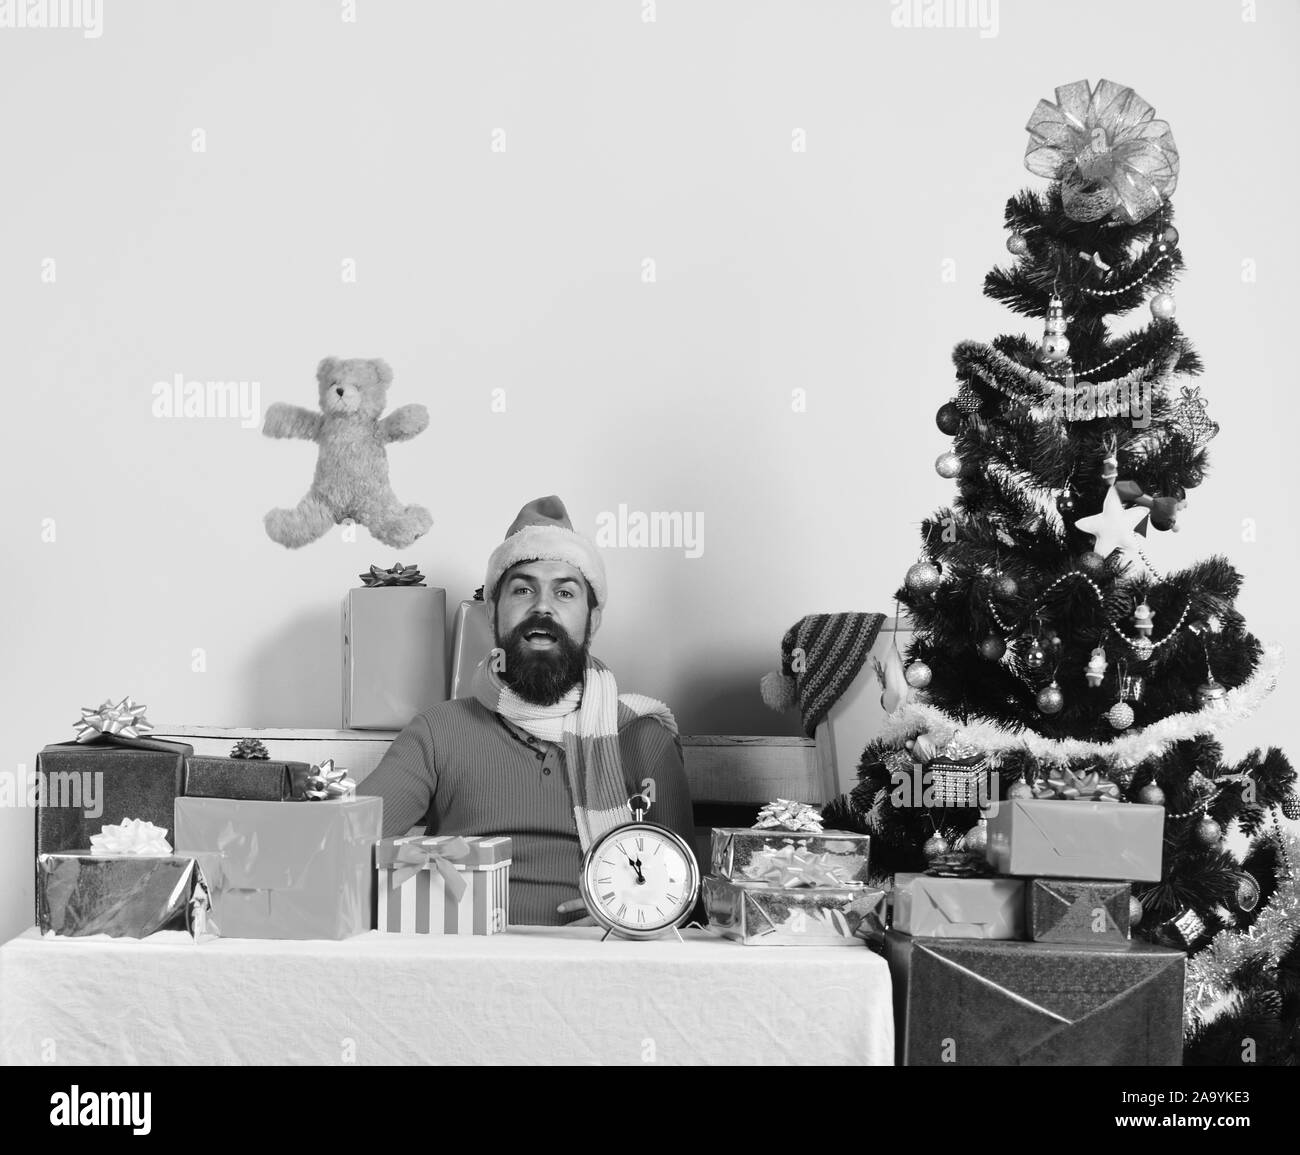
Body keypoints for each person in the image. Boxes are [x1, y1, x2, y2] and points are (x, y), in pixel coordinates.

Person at [359, 495, 695, 926]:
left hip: (603, 964)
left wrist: (635, 917)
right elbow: (347, 844)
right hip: (462, 961)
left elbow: (685, 892)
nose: (542, 606)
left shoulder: (640, 737)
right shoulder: (439, 732)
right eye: (522, 589)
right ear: (493, 614)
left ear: (592, 620)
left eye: (565, 592)